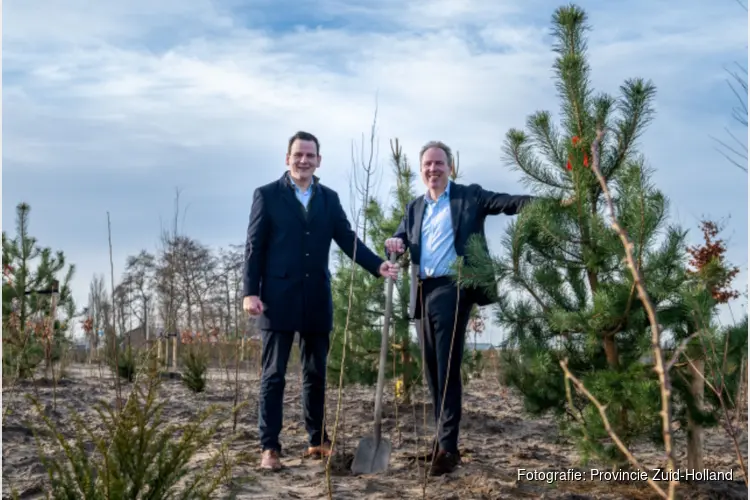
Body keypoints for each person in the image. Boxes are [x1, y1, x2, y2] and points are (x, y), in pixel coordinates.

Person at [243, 131, 399, 471]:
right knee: (274, 376)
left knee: (315, 374)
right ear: (287, 158)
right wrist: (250, 292)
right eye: (298, 155)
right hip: (276, 300)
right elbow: (254, 247)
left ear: (318, 161)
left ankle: (317, 440)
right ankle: (270, 447)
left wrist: (378, 265)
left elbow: (347, 238)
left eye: (310, 156)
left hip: (316, 299)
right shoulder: (267, 196)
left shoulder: (328, 199)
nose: (304, 161)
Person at [384, 140, 537, 476]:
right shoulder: (414, 208)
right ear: (421, 169)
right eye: (427, 164)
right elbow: (399, 238)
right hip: (421, 292)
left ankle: (448, 449)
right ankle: (440, 441)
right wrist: (392, 243)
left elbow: (506, 203)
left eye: (439, 163)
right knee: (431, 370)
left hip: (454, 287)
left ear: (450, 167)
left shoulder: (468, 196)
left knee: (447, 367)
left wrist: (549, 204)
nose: (433, 169)